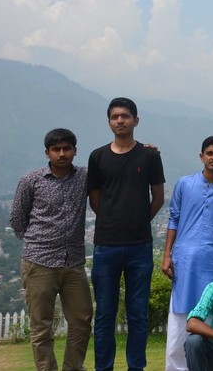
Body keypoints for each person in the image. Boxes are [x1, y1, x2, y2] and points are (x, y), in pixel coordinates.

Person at [88, 97, 165, 371]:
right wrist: (113, 220)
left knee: (138, 314)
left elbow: (158, 198)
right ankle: (103, 367)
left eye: (125, 116)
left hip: (139, 246)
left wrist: (139, 220)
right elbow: (95, 199)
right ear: (109, 121)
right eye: (114, 116)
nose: (120, 120)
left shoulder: (150, 156)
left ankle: (136, 367)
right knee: (104, 314)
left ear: (136, 120)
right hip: (106, 245)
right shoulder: (98, 157)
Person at [10, 128, 93, 371]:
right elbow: (17, 219)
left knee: (82, 320)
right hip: (39, 262)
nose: (62, 154)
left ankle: (73, 367)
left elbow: (116, 166)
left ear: (75, 151)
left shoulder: (84, 177)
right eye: (56, 149)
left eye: (67, 148)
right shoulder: (31, 180)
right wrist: (37, 243)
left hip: (73, 262)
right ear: (47, 152)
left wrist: (144, 152)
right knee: (41, 326)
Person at [162, 136, 213, 370]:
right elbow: (174, 219)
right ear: (201, 156)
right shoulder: (184, 184)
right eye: (209, 153)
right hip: (184, 259)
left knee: (210, 314)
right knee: (180, 315)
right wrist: (167, 254)